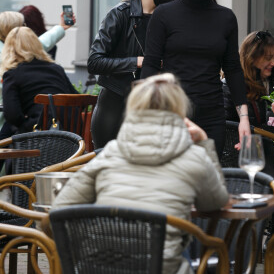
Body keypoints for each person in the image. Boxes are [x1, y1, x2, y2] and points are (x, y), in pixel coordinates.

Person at [52, 73, 229, 274]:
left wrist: (88, 243)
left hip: (100, 267)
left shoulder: (110, 153)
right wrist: (204, 141)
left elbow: (58, 214)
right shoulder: (194, 156)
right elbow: (216, 203)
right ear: (180, 110)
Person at [141, 0, 250, 155]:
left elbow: (233, 69)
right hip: (171, 114)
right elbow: (150, 66)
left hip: (212, 115)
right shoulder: (164, 15)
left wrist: (243, 118)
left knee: (207, 180)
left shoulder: (226, 18)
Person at [88, 0, 179, 149]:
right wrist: (137, 62)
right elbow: (94, 62)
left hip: (153, 109)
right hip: (115, 106)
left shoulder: (168, 19)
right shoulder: (120, 15)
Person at [0, 27, 78, 135]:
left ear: (9, 49)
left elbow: (12, 114)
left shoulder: (12, 74)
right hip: (73, 134)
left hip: (38, 135)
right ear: (37, 45)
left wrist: (25, 123)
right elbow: (76, 98)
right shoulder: (56, 68)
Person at [223, 30, 274, 127]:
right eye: (268, 58)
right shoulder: (229, 86)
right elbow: (227, 130)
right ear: (251, 58)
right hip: (252, 141)